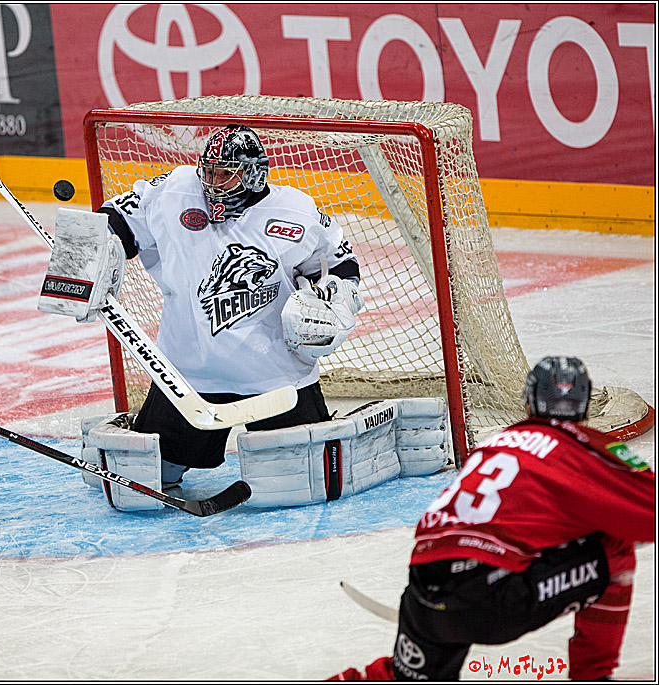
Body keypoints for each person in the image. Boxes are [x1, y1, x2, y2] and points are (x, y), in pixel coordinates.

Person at [328, 356, 656, 681]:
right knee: (614, 546)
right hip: (493, 600)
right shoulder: (585, 447)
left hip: (425, 590)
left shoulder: (494, 444)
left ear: (529, 403)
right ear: (585, 405)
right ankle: (593, 675)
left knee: (407, 676)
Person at [90, 124, 365, 491]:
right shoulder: (174, 190)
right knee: (150, 480)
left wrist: (332, 300)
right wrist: (89, 258)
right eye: (209, 172)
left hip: (276, 376)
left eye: (225, 174)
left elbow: (339, 266)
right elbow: (116, 220)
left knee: (300, 483)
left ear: (252, 175)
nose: (213, 184)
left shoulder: (295, 210)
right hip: (188, 374)